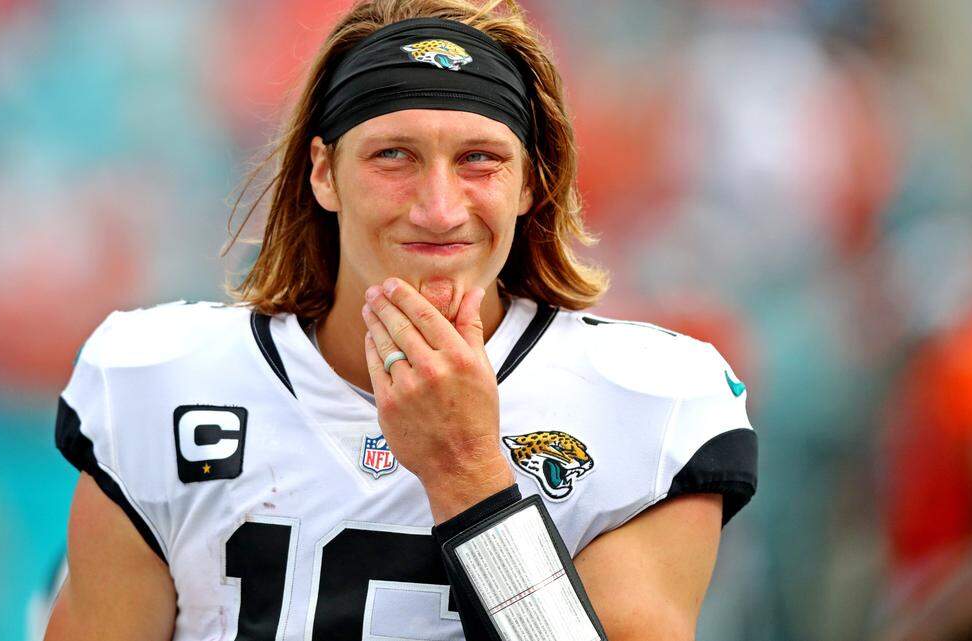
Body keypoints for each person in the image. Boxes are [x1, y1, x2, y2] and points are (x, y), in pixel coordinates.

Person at [44, 1, 757, 639]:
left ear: (531, 180)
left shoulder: (649, 406)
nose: (440, 207)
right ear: (323, 171)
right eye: (395, 156)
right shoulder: (157, 383)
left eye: (479, 158)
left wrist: (466, 470)